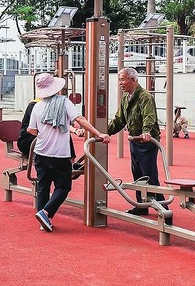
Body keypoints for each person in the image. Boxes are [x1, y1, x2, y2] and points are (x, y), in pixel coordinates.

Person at [26, 72, 109, 232]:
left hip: (41, 152)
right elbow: (79, 119)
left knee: (43, 186)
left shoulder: (37, 106)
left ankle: (43, 220)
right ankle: (45, 213)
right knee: (63, 187)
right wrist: (99, 133)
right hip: (59, 154)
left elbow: (31, 130)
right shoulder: (64, 102)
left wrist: (46, 132)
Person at [106, 67, 164, 215]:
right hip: (134, 140)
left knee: (149, 175)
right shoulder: (126, 98)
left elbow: (149, 116)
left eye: (122, 79)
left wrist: (146, 131)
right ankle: (141, 205)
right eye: (119, 80)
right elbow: (119, 120)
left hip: (147, 141)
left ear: (133, 80)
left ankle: (163, 207)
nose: (120, 83)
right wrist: (104, 131)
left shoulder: (145, 97)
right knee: (137, 174)